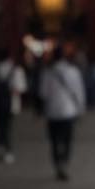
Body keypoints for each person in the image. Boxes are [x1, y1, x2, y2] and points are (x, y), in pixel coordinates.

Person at [39, 45, 86, 180]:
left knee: (54, 141)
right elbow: (79, 92)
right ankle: (64, 162)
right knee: (67, 140)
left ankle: (57, 163)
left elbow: (43, 93)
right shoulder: (73, 71)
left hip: (52, 112)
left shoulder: (47, 72)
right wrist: (81, 109)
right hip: (68, 111)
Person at [0, 48, 28, 164]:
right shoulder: (16, 69)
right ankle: (8, 151)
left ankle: (0, 148)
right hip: (11, 104)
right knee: (7, 127)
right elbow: (21, 88)